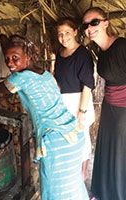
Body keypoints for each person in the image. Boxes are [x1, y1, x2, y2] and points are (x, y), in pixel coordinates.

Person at [0, 35, 89, 200]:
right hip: (73, 134)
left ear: (28, 56)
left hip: (56, 140)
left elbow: (0, 88)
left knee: (55, 191)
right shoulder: (45, 74)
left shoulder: (20, 77)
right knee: (72, 186)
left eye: (15, 58)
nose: (10, 63)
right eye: (7, 59)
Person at [82, 7, 126, 200]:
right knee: (107, 148)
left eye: (94, 22)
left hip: (123, 108)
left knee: (119, 152)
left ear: (106, 22)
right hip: (109, 107)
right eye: (86, 25)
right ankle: (105, 193)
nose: (90, 27)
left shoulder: (122, 46)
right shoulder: (102, 51)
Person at [53, 17, 95, 181]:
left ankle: (82, 176)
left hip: (79, 102)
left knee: (81, 140)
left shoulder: (83, 54)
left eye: (67, 33)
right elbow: (58, 79)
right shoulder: (60, 53)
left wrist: (82, 111)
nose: (63, 37)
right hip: (64, 103)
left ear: (76, 32)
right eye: (60, 34)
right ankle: (71, 177)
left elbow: (88, 85)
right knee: (68, 140)